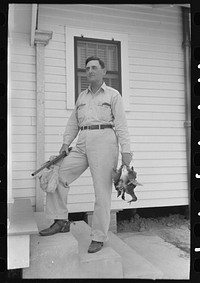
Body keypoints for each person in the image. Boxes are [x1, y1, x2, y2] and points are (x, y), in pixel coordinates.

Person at [39, 56, 132, 253]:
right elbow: (73, 123)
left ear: (104, 71)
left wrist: (127, 152)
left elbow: (122, 126)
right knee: (58, 174)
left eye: (94, 68)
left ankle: (98, 236)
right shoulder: (82, 97)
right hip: (82, 141)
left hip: (104, 141)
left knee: (101, 192)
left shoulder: (113, 96)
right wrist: (66, 143)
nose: (89, 71)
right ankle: (60, 220)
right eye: (87, 68)